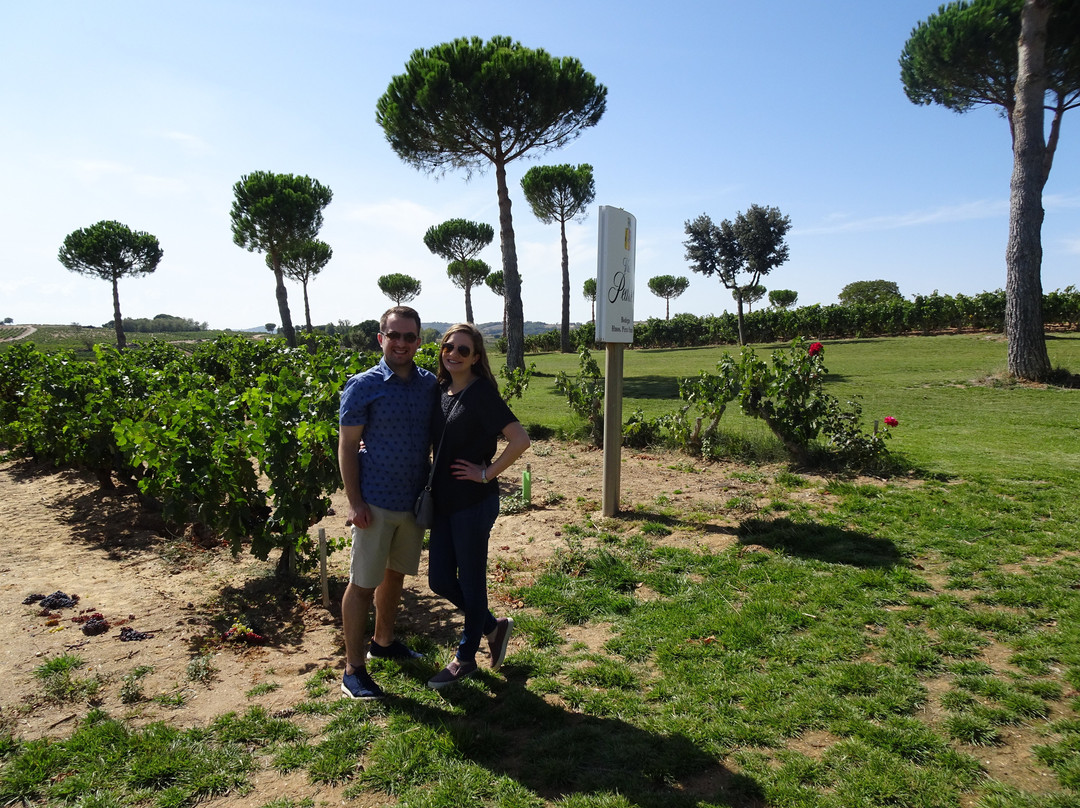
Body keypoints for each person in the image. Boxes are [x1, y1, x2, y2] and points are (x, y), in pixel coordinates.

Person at [337, 306, 436, 699]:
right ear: (381, 339)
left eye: (409, 337)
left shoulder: (429, 385)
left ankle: (383, 642)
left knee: (395, 575)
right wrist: (354, 501)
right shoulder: (362, 385)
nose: (401, 343)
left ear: (418, 342)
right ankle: (353, 669)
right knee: (362, 583)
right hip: (374, 502)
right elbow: (347, 447)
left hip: (412, 503)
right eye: (394, 335)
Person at [426, 323, 531, 689]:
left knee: (471, 581)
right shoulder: (440, 390)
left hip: (473, 502)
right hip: (443, 502)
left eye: (463, 350)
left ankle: (465, 657)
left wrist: (486, 473)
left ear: (476, 357)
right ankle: (492, 626)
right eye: (448, 347)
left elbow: (520, 439)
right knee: (439, 579)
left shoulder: (481, 392)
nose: (453, 354)